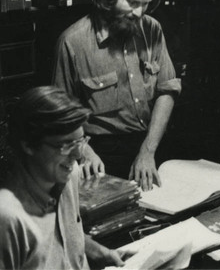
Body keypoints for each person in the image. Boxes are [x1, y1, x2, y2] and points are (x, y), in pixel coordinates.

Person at [53, 0, 181, 191]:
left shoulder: (152, 29)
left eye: (145, 4)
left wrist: (148, 150)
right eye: (132, 2)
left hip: (150, 144)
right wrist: (84, 150)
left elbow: (167, 89)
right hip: (99, 155)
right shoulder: (73, 42)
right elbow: (61, 115)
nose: (140, 12)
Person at [0, 86, 130, 269]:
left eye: (80, 142)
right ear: (29, 145)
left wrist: (100, 252)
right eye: (66, 145)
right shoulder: (7, 217)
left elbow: (66, 234)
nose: (77, 155)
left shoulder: (70, 174)